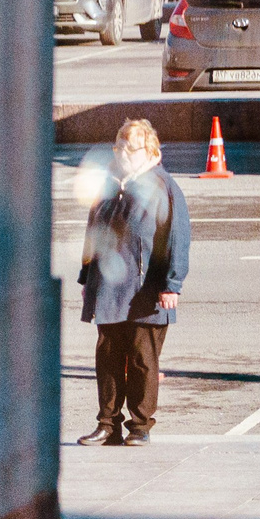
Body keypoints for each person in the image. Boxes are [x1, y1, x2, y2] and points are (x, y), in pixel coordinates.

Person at [74, 119, 190, 447]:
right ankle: (107, 424)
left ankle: (140, 425)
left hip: (147, 289)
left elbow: (177, 237)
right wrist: (87, 277)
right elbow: (95, 232)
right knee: (108, 357)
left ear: (150, 150)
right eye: (119, 147)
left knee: (142, 360)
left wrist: (172, 284)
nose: (123, 154)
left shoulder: (164, 186)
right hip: (110, 288)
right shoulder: (110, 184)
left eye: (131, 148)